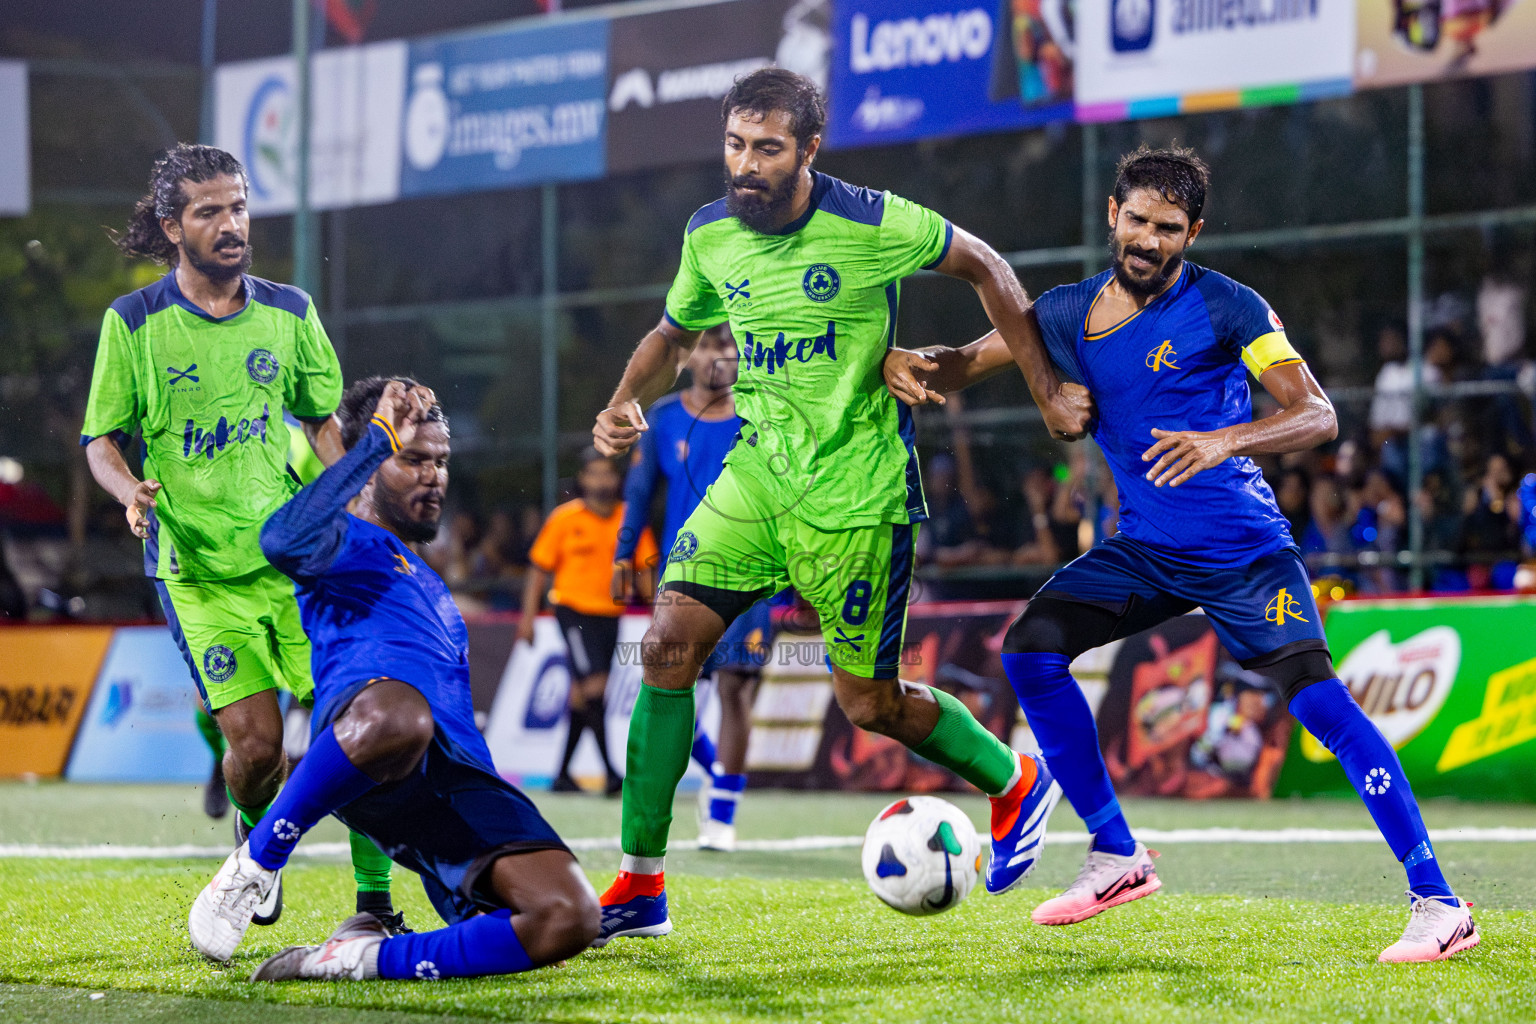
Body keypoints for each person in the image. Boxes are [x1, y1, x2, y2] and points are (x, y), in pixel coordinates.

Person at [883, 145, 1478, 962]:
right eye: (1137, 220)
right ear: (1112, 216)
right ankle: (1116, 853)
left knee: (1319, 704)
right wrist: (903, 363)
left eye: (1168, 228)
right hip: (1147, 553)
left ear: (1191, 232)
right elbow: (967, 363)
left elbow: (1318, 415)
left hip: (1243, 553)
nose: (1148, 240)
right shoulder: (1062, 313)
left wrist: (1224, 439)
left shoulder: (1230, 308)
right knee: (1031, 649)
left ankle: (1439, 904)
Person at [589, 67, 1093, 944]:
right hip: (756, 479)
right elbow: (674, 332)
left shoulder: (870, 222)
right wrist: (623, 398)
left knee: (870, 704)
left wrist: (1047, 389)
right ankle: (640, 885)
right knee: (667, 648)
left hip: (856, 496)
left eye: (768, 149)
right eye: (735, 145)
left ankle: (1014, 779)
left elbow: (988, 266)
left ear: (810, 150)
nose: (746, 166)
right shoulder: (711, 234)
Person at [81, 143, 400, 931]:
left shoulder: (289, 311)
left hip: (294, 562)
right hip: (196, 569)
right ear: (171, 225)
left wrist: (359, 504)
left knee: (358, 720)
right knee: (257, 754)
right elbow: (101, 440)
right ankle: (257, 844)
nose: (232, 225)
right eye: (209, 211)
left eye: (240, 206)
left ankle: (376, 905)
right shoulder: (134, 323)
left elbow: (324, 420)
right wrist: (128, 489)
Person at [188, 378, 599, 980]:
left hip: (455, 775)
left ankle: (355, 956)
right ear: (374, 460)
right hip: (374, 736)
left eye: (440, 462)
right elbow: (278, 540)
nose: (433, 475)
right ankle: (257, 861)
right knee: (401, 716)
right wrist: (375, 442)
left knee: (569, 916)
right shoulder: (340, 537)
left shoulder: (429, 581)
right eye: (413, 459)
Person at [615, 324, 773, 852]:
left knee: (734, 686)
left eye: (728, 347)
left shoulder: (762, 414)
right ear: (689, 357)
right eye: (707, 346)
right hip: (683, 572)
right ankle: (712, 770)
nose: (718, 357)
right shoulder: (662, 419)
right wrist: (623, 551)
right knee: (671, 683)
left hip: (754, 565)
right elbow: (638, 494)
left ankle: (723, 811)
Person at [520, 448, 659, 794]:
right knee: (595, 688)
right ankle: (612, 774)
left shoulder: (631, 519)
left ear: (618, 478)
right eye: (594, 473)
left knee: (582, 697)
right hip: (571, 611)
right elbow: (538, 570)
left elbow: (645, 571)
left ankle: (562, 775)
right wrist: (527, 619)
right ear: (582, 479)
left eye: (607, 473)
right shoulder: (565, 519)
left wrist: (658, 612)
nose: (601, 480)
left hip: (610, 614)